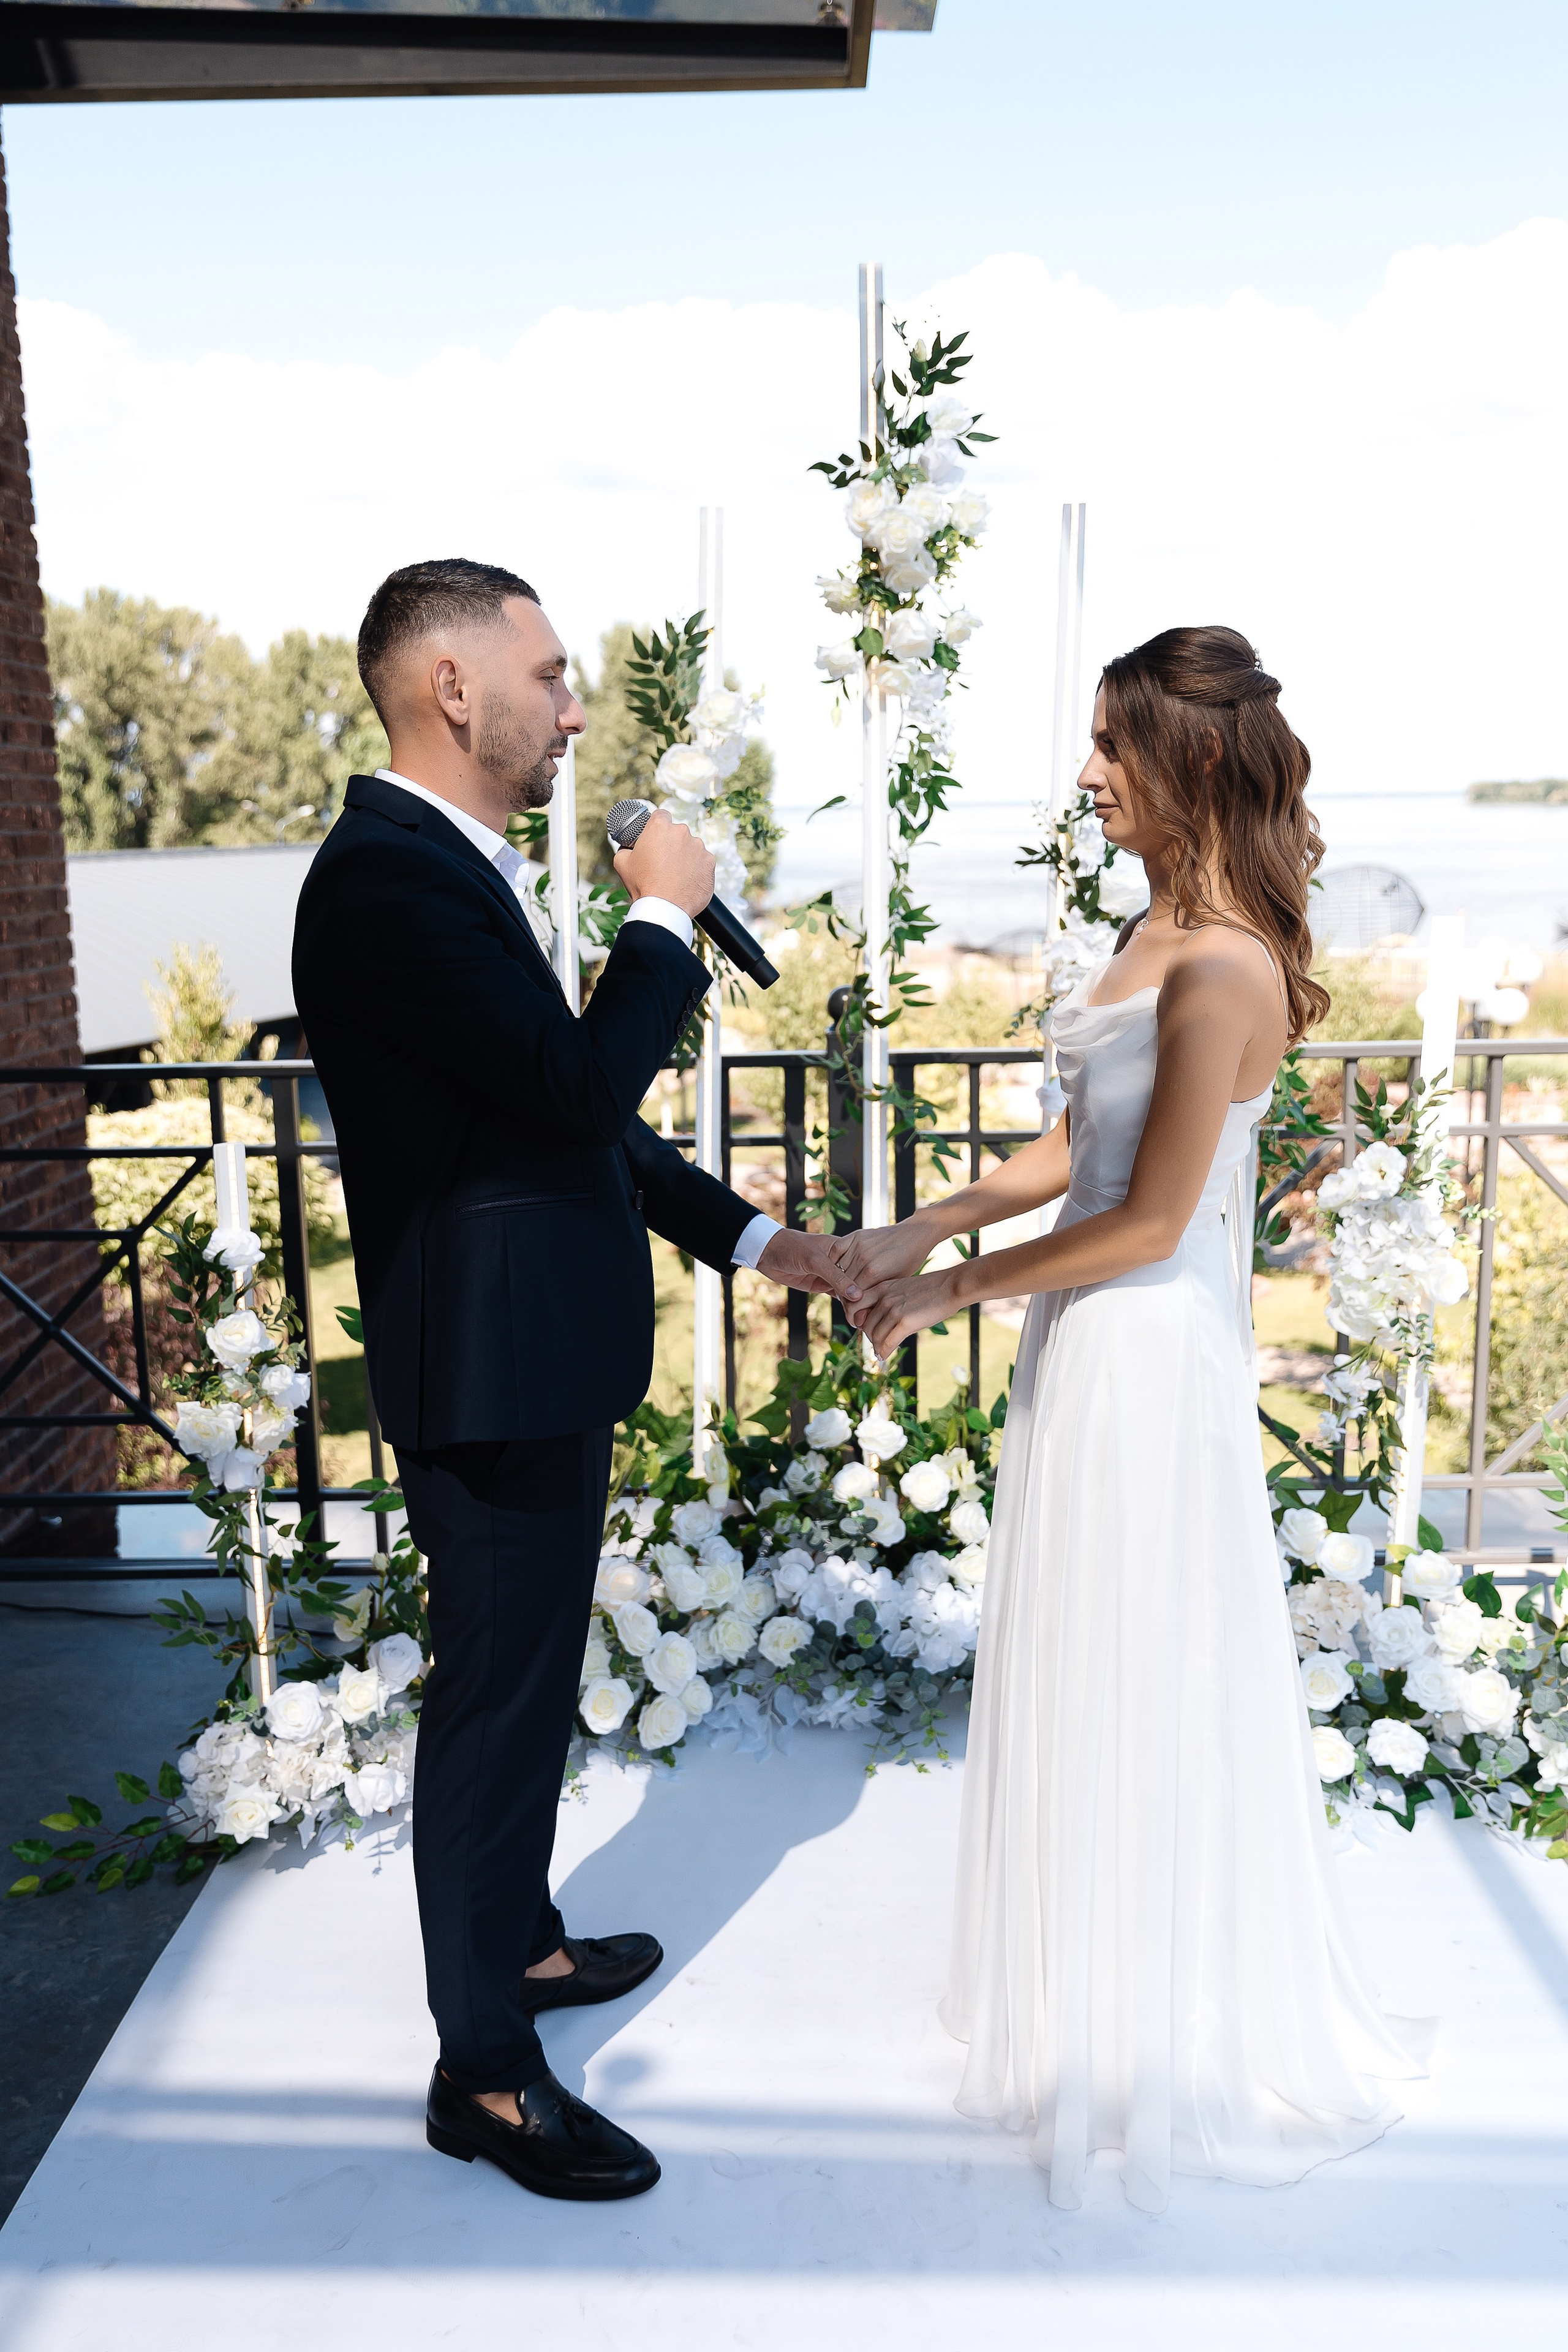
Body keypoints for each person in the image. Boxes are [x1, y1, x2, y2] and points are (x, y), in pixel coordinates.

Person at [836, 626, 1427, 2213]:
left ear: (1195, 758)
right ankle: (1078, 1985)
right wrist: (920, 1228)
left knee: (1135, 1654)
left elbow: (1153, 1219)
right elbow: (1074, 1145)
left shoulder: (1224, 963)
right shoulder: (1151, 920)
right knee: (1078, 1644)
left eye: (1113, 743)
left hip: (1147, 1347)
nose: (1088, 773)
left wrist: (950, 1295)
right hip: (1084, 1340)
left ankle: (1146, 2016)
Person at [292, 559, 854, 2202]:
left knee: (533, 1684)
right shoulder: (385, 879)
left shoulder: (447, 868)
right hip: (486, 1372)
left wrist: (764, 1241)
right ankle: (482, 2076)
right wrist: (664, 915)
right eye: (549, 674)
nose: (575, 708)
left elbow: (560, 1124)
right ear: (452, 687)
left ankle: (520, 1943)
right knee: (492, 1707)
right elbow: (577, 1082)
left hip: (533, 1358)